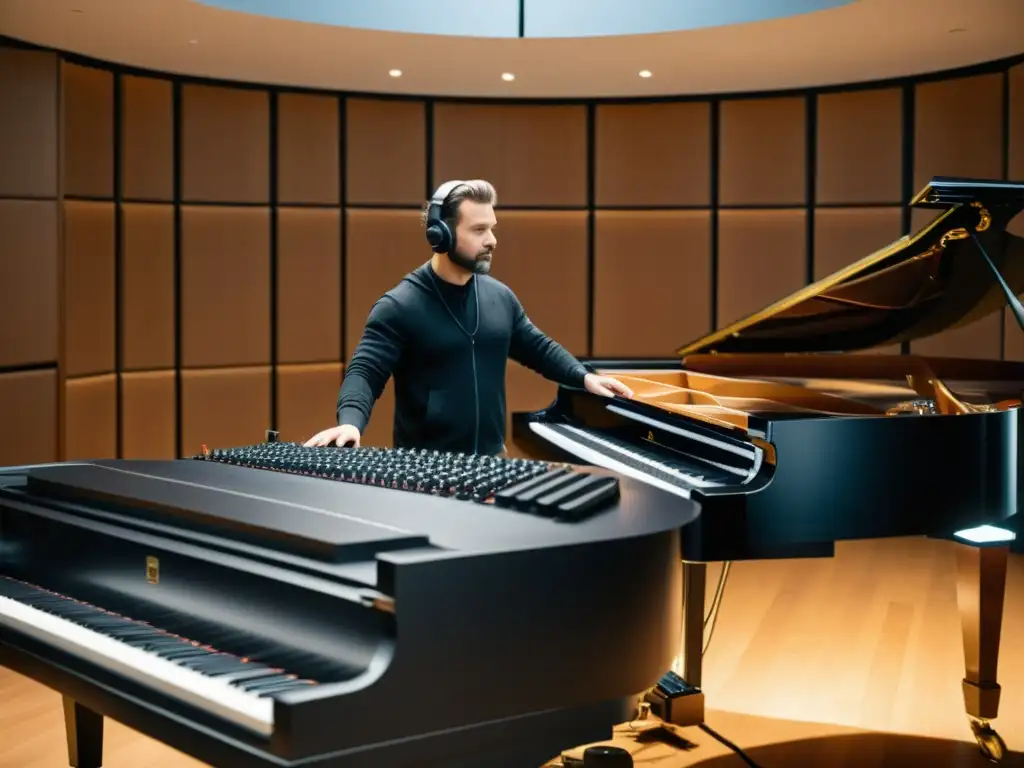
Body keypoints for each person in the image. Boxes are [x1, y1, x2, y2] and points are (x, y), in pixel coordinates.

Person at [304, 179, 633, 454]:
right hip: (425, 473)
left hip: (492, 464)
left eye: (492, 228)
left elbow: (538, 347)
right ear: (440, 235)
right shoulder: (400, 305)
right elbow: (365, 372)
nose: (492, 240)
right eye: (479, 230)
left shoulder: (500, 297)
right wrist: (350, 422)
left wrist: (584, 377)